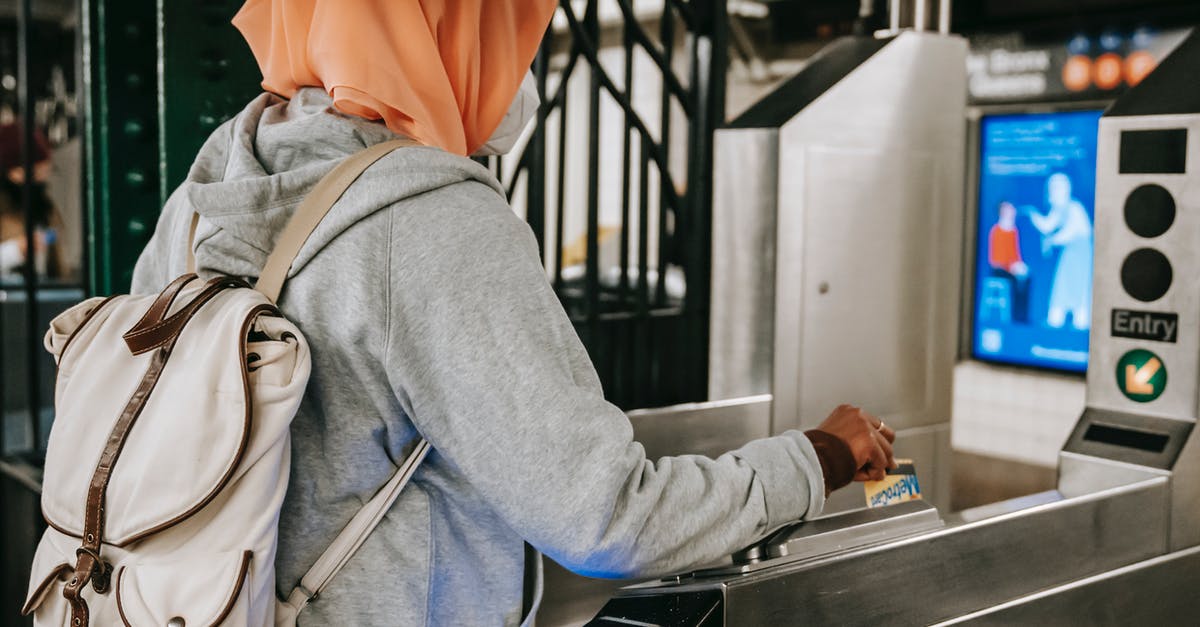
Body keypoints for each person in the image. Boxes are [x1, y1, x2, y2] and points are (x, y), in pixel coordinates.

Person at [131, 2, 896, 624]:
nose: (518, 73)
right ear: (457, 29)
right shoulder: (429, 221)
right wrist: (818, 456)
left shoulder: (197, 207)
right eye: (508, 34)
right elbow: (607, 518)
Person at [1026, 172, 1093, 330]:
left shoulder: (1075, 207)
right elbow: (1047, 225)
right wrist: (1032, 214)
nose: (1054, 192)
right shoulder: (1058, 209)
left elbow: (1072, 232)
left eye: (1057, 188)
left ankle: (1081, 321)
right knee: (1062, 286)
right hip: (1069, 253)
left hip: (1081, 253)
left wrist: (1052, 240)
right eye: (1052, 189)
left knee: (1080, 288)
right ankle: (1055, 320)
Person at [987, 201, 1030, 322]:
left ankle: (1021, 315)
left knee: (1026, 278)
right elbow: (997, 258)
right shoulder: (997, 230)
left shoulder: (1013, 230)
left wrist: (1019, 265)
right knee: (1016, 280)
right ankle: (1014, 316)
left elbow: (1015, 253)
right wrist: (1011, 267)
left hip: (1012, 267)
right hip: (999, 269)